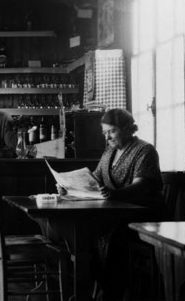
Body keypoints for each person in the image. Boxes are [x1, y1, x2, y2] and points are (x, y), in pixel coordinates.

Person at [58, 108, 163, 301]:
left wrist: (115, 194)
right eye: (105, 133)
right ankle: (92, 291)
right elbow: (95, 179)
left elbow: (142, 185)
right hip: (111, 214)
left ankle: (110, 294)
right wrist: (70, 187)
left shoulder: (144, 150)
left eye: (112, 131)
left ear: (128, 128)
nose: (108, 137)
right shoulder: (109, 153)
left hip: (139, 218)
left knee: (111, 236)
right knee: (82, 234)